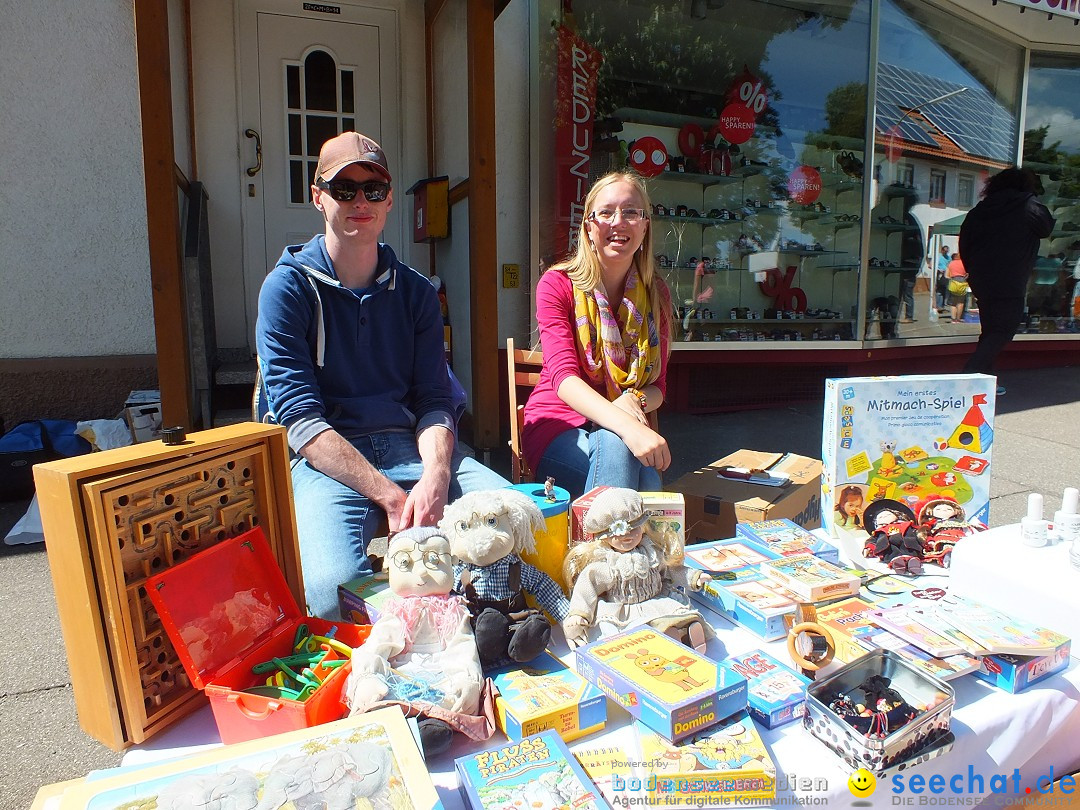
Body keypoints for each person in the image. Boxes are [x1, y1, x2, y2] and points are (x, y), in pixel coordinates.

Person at [255, 131, 508, 618]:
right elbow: (300, 421)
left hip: (410, 444)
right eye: (343, 189)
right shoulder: (286, 289)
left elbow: (435, 398)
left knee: (524, 530)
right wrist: (391, 497)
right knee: (331, 594)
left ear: (390, 199)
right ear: (317, 197)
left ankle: (478, 650)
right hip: (328, 461)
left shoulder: (415, 292)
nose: (360, 201)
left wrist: (435, 474)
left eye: (372, 189)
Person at [523, 172, 673, 498]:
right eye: (606, 212)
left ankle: (600, 546)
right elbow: (564, 379)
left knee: (622, 452)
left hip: (624, 429)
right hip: (558, 425)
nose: (618, 222)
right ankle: (627, 545)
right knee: (626, 456)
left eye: (631, 212)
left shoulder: (656, 294)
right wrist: (625, 423)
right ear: (589, 227)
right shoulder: (557, 284)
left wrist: (633, 400)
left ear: (645, 225)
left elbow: (657, 386)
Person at [959, 167, 1055, 388]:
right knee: (1003, 329)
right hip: (1010, 278)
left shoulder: (980, 210)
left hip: (982, 278)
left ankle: (985, 379)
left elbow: (965, 242)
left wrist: (973, 269)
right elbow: (1046, 228)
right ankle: (969, 376)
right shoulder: (1028, 206)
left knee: (991, 329)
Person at [946, 253, 968, 323]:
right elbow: (967, 274)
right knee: (961, 302)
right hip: (962, 283)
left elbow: (946, 275)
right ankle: (958, 319)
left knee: (953, 302)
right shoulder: (964, 263)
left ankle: (953, 319)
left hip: (954, 282)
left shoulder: (951, 263)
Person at [934, 244, 951, 311]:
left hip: (946, 274)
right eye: (944, 251)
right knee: (939, 290)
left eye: (947, 251)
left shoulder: (949, 258)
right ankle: (938, 305)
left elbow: (950, 265)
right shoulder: (938, 257)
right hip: (940, 274)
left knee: (945, 290)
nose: (946, 252)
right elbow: (932, 265)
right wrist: (938, 269)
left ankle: (942, 305)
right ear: (942, 251)